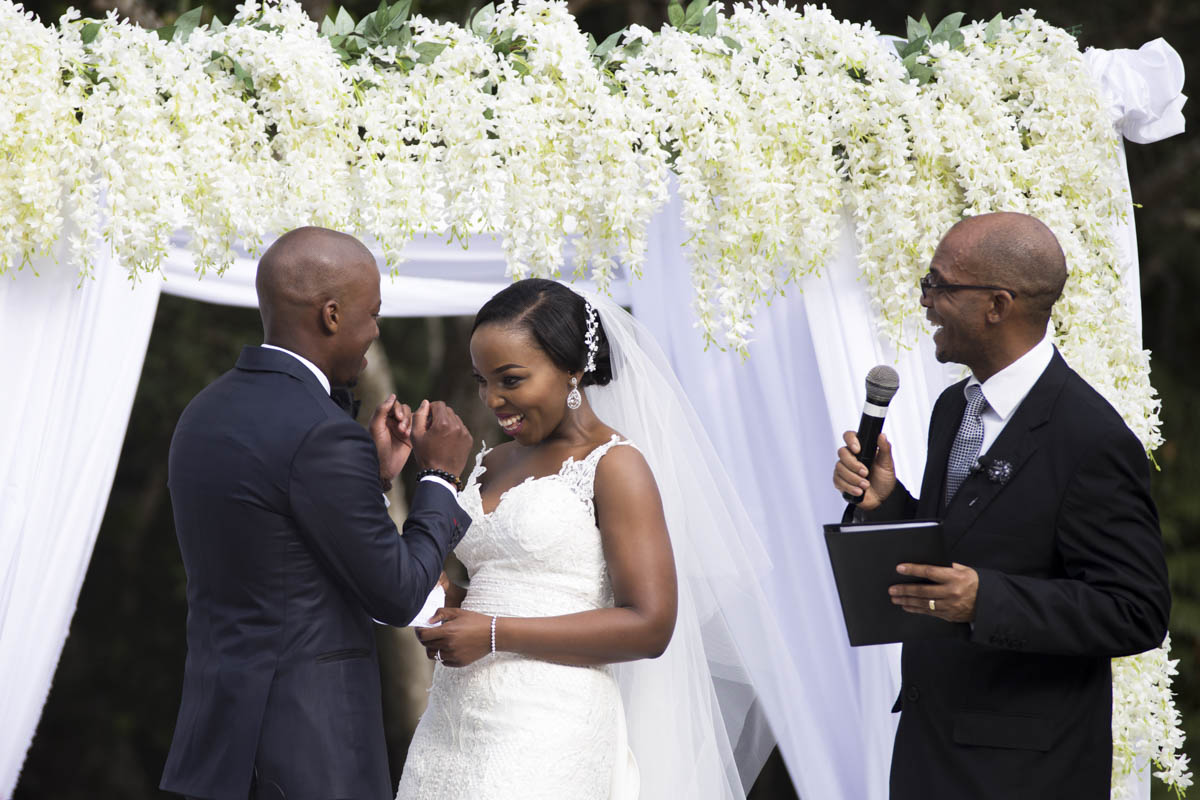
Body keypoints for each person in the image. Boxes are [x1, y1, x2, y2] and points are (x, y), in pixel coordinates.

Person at [396, 279, 803, 800]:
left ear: (574, 370)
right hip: (453, 720)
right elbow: (487, 584)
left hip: (549, 727)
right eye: (481, 381)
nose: (493, 399)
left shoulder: (615, 465)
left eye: (511, 379)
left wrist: (494, 633)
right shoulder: (490, 462)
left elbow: (650, 626)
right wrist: (445, 601)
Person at [832, 212, 1170, 799]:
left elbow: (1135, 608)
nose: (925, 301)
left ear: (997, 305)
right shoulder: (952, 410)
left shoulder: (1090, 439)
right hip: (929, 753)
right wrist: (888, 504)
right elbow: (958, 542)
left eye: (937, 285)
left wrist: (987, 600)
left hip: (1022, 776)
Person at [160, 227, 474, 800]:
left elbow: (287, 551)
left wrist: (374, 479)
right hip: (307, 753)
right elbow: (398, 594)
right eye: (372, 314)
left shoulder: (202, 413)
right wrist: (439, 477)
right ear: (331, 314)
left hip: (216, 746)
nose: (375, 332)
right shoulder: (323, 433)